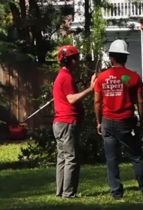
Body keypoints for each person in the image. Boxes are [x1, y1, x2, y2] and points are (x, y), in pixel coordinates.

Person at [95, 39, 143, 200]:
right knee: (136, 156)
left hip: (107, 121)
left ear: (112, 58)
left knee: (112, 159)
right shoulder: (132, 77)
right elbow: (141, 101)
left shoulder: (102, 77)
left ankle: (116, 192)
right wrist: (142, 123)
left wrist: (99, 122)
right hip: (126, 122)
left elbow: (97, 102)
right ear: (125, 58)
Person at [52, 44, 97, 199]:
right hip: (67, 122)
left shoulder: (62, 76)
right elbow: (71, 99)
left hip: (60, 123)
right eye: (76, 58)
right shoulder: (66, 77)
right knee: (71, 158)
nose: (78, 61)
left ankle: (61, 192)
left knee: (63, 158)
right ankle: (68, 193)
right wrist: (90, 89)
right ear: (70, 60)